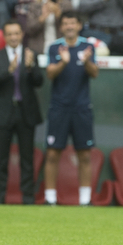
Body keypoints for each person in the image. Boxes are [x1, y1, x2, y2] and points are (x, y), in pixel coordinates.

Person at [43, 12, 97, 206]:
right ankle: (50, 199)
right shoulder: (54, 47)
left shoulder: (88, 47)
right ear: (61, 26)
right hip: (59, 108)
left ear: (79, 25)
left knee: (84, 154)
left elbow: (94, 73)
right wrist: (63, 62)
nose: (69, 27)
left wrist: (87, 61)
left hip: (82, 108)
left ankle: (85, 200)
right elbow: (50, 74)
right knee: (52, 154)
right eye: (65, 23)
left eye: (72, 23)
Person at [0, 20, 42, 205]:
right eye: (10, 34)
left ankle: (28, 199)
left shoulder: (30, 54)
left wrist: (30, 67)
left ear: (22, 35)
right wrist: (8, 71)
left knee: (27, 159)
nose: (13, 37)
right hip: (4, 113)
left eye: (17, 33)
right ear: (4, 36)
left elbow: (39, 82)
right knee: (1, 159)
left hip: (26, 113)